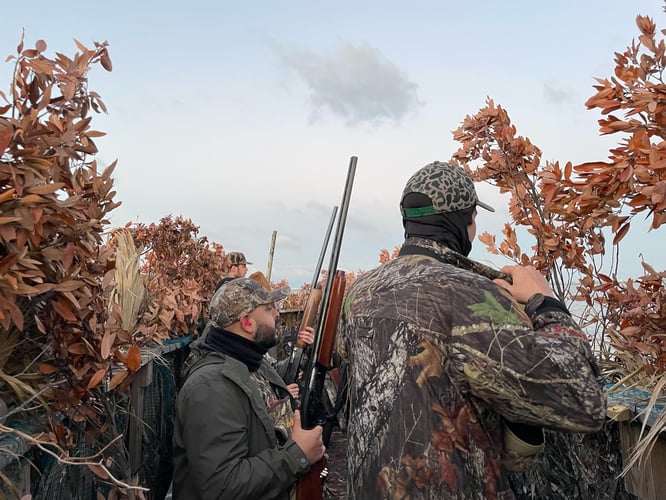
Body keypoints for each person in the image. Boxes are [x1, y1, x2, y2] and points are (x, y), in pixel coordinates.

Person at [339, 161, 607, 499]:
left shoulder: (360, 292)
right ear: (462, 220)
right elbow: (585, 401)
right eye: (474, 217)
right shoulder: (467, 293)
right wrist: (547, 302)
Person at [172, 278, 325, 499]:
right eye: (269, 309)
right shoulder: (210, 387)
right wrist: (298, 455)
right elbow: (222, 486)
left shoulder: (251, 363)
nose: (277, 315)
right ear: (246, 323)